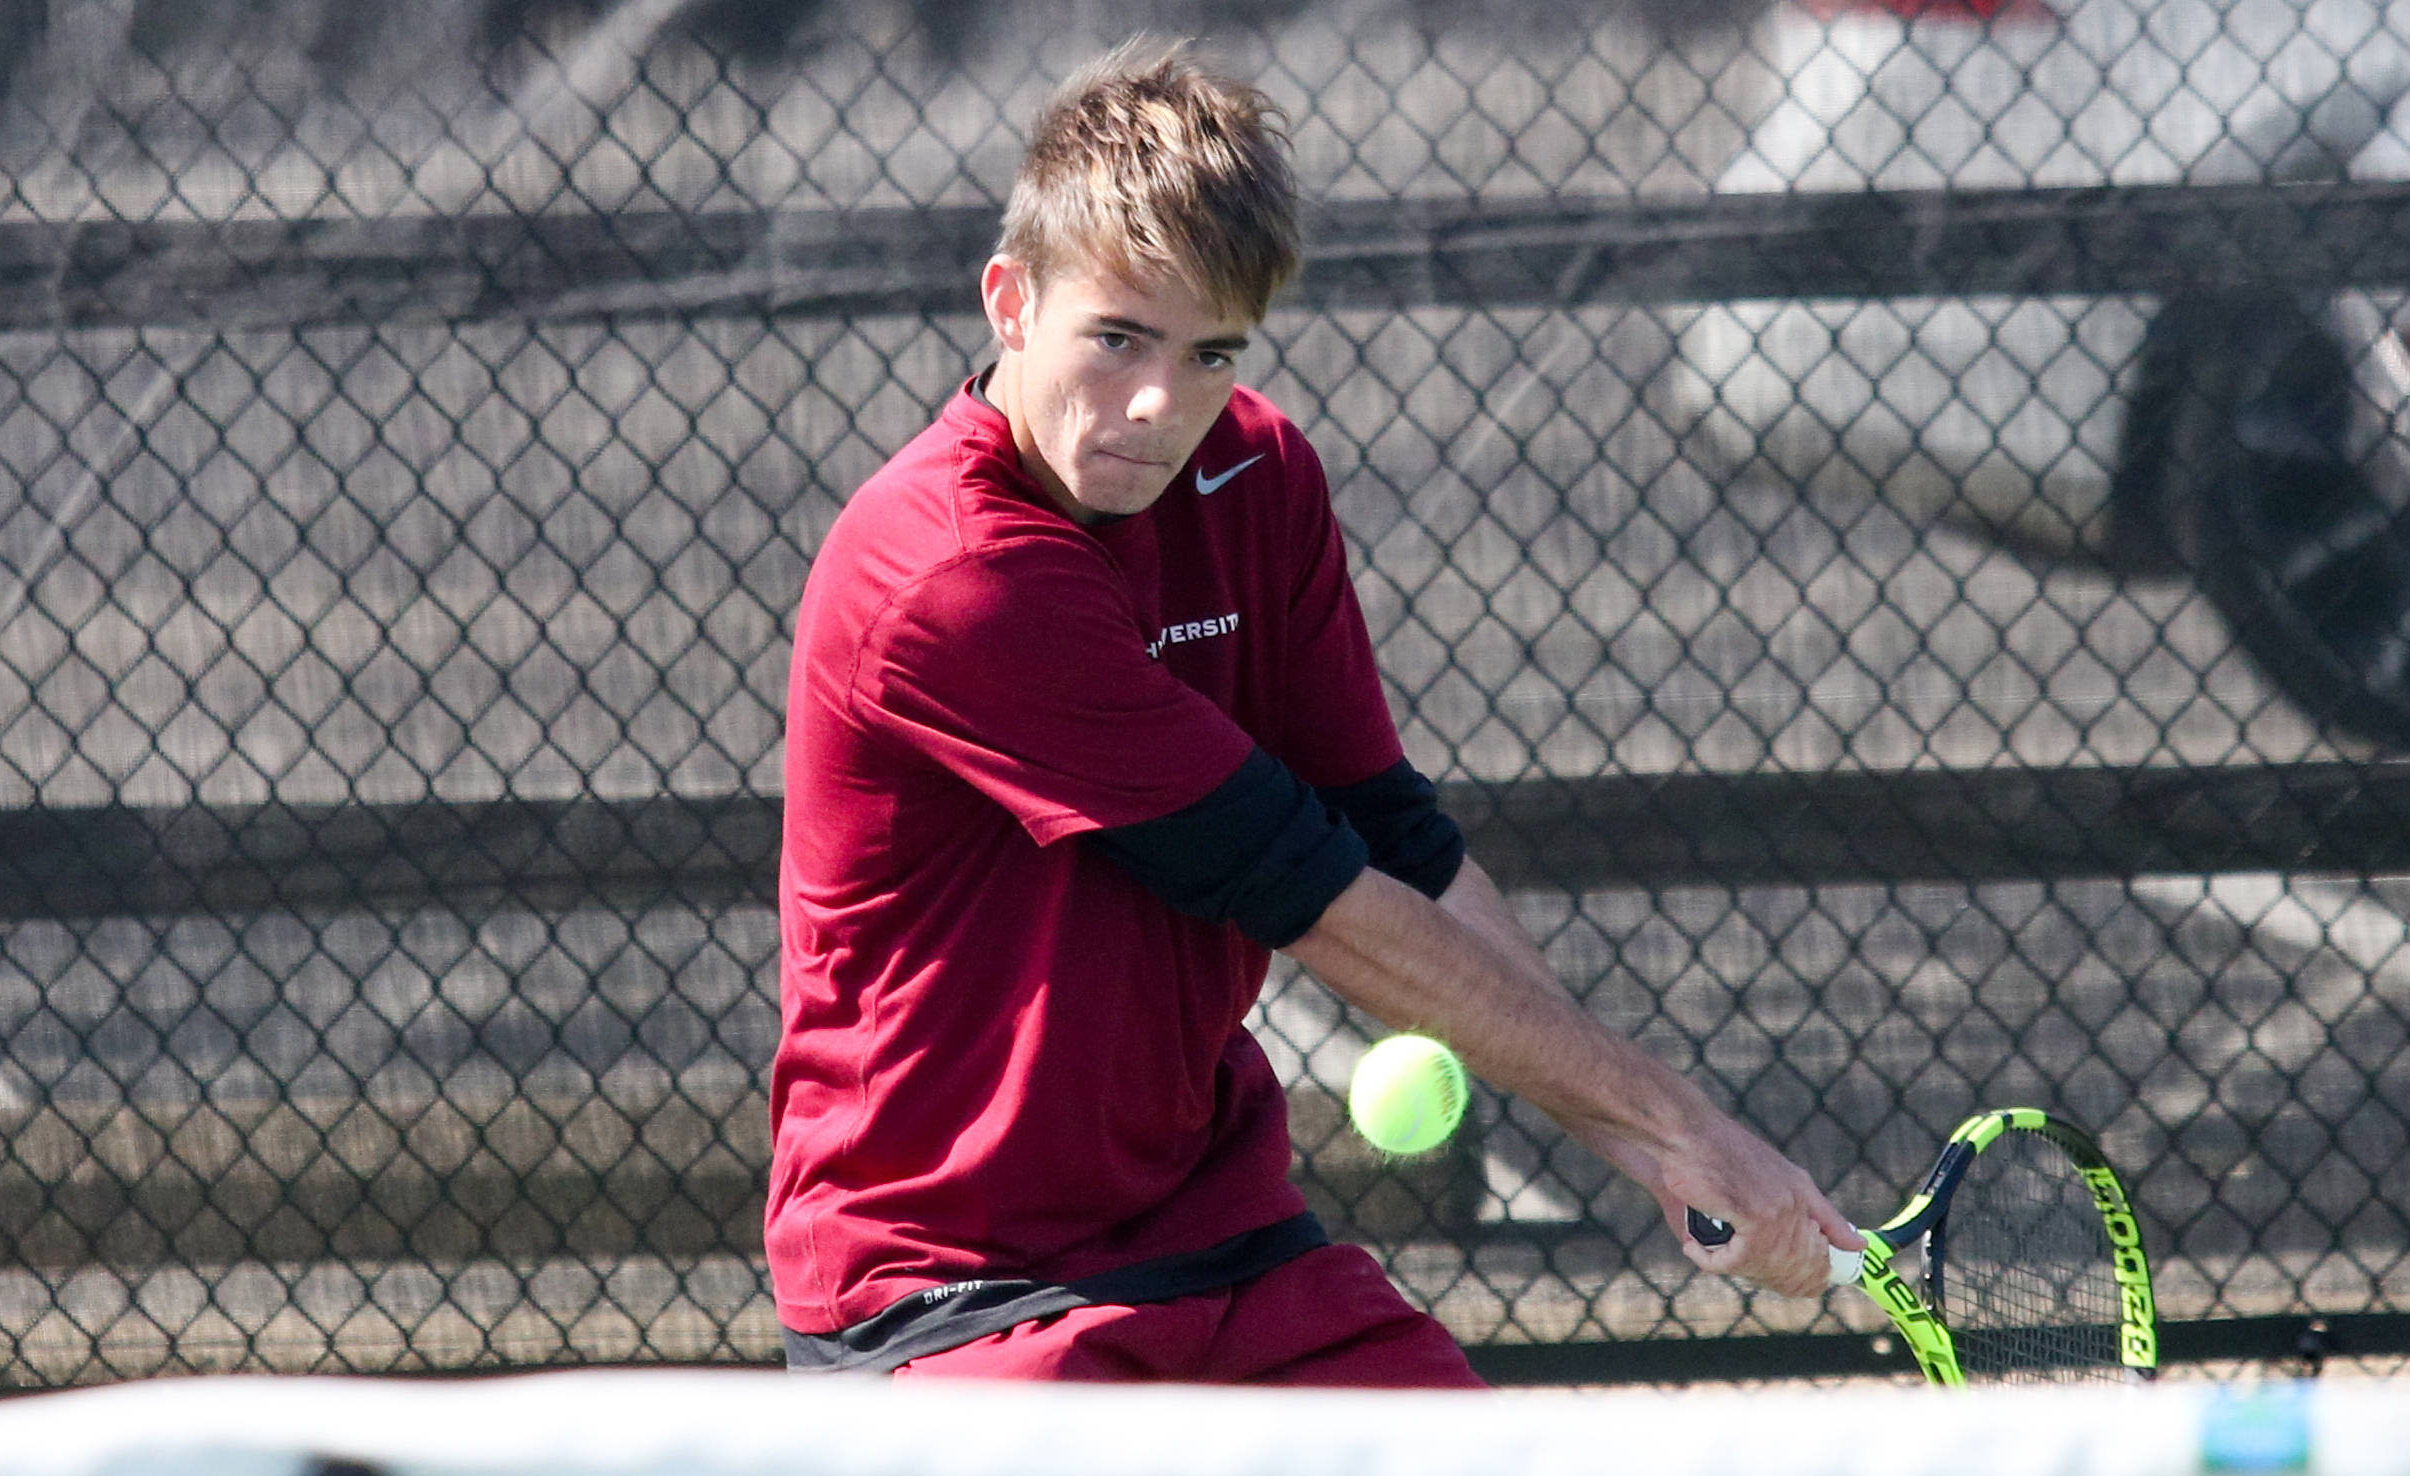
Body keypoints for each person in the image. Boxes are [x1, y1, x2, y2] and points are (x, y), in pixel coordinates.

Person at [765, 38, 1862, 1386]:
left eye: (1210, 352)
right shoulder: (951, 573)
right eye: (1117, 338)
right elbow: (1304, 887)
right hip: (953, 1288)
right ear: (1012, 301)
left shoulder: (1256, 473)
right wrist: (1682, 1129)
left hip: (1223, 1242)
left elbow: (1392, 840)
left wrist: (1657, 1152)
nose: (1158, 404)